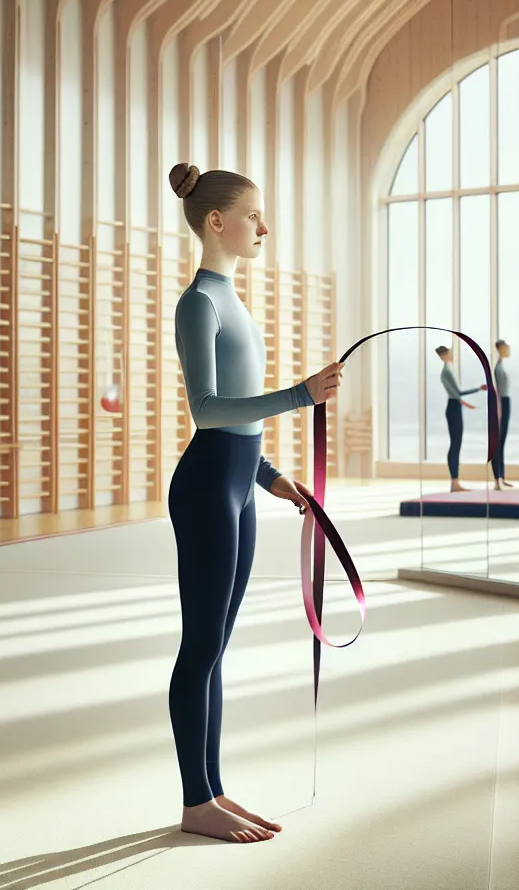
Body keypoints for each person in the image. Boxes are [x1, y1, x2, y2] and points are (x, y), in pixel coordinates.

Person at [167, 162, 343, 844]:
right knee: (200, 649)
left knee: (217, 650)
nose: (263, 227)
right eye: (253, 215)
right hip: (208, 487)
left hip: (239, 484)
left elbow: (242, 423)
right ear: (217, 222)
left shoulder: (233, 299)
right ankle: (194, 800)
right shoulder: (201, 304)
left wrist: (272, 477)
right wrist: (302, 395)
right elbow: (207, 410)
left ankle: (208, 789)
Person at [436, 345, 484, 492]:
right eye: (450, 353)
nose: (452, 355)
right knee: (455, 445)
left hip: (454, 407)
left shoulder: (446, 371)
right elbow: (458, 392)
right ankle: (455, 482)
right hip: (454, 409)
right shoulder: (447, 371)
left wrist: (464, 403)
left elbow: (455, 395)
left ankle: (455, 482)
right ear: (444, 355)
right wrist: (478, 389)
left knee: (456, 445)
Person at [490, 339, 514, 491]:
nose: (508, 349)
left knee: (502, 442)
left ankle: (501, 478)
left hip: (505, 402)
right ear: (500, 349)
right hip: (501, 403)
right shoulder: (498, 369)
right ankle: (497, 479)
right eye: (506, 347)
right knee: (498, 442)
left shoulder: (501, 367)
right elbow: (496, 391)